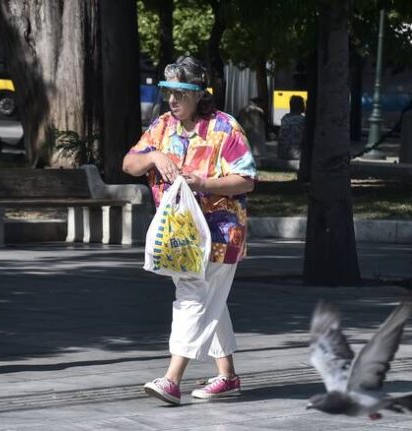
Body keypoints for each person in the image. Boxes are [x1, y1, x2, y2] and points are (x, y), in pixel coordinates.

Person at [122, 56, 257, 406]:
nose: (172, 100)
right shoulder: (162, 127)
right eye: (169, 92)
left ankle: (171, 379)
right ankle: (227, 376)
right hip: (181, 236)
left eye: (180, 93)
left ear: (199, 94)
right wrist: (153, 158)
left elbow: (247, 179)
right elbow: (129, 163)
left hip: (221, 234)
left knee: (193, 298)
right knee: (210, 300)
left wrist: (204, 182)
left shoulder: (226, 128)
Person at [277, 95, 305, 160]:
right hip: (297, 154)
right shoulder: (302, 120)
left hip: (282, 154)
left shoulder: (285, 118)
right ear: (301, 106)